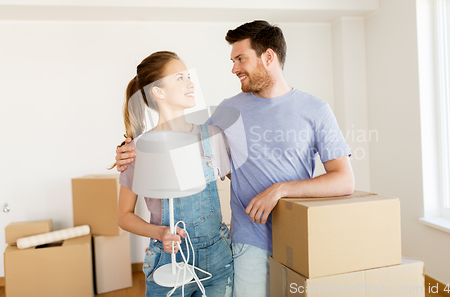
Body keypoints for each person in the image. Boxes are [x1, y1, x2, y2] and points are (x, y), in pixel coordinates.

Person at [116, 21, 355, 297]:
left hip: (300, 236)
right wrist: (131, 150)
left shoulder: (316, 110)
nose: (233, 68)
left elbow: (344, 180)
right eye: (233, 60)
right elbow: (183, 146)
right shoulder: (227, 112)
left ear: (268, 57)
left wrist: (280, 190)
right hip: (245, 243)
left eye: (240, 59)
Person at [115, 51, 234, 297]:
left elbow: (245, 184)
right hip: (166, 261)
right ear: (158, 91)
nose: (191, 83)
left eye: (189, 77)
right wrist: (159, 232)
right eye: (180, 78)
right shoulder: (136, 150)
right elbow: (124, 216)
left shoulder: (212, 137)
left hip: (217, 259)